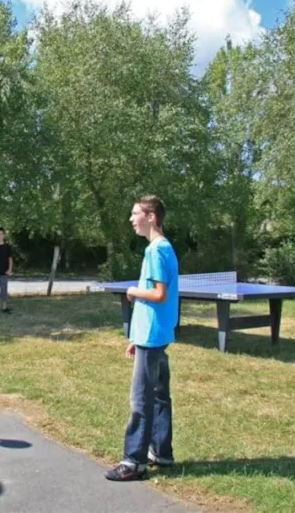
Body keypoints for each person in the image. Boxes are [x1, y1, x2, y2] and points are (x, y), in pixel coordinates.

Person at [105, 195, 178, 481]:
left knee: (141, 400)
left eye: (135, 213)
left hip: (153, 335)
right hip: (154, 334)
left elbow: (160, 294)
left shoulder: (156, 251)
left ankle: (134, 462)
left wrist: (133, 291)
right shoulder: (162, 248)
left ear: (151, 216)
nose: (131, 219)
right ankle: (161, 452)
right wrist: (137, 336)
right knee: (159, 396)